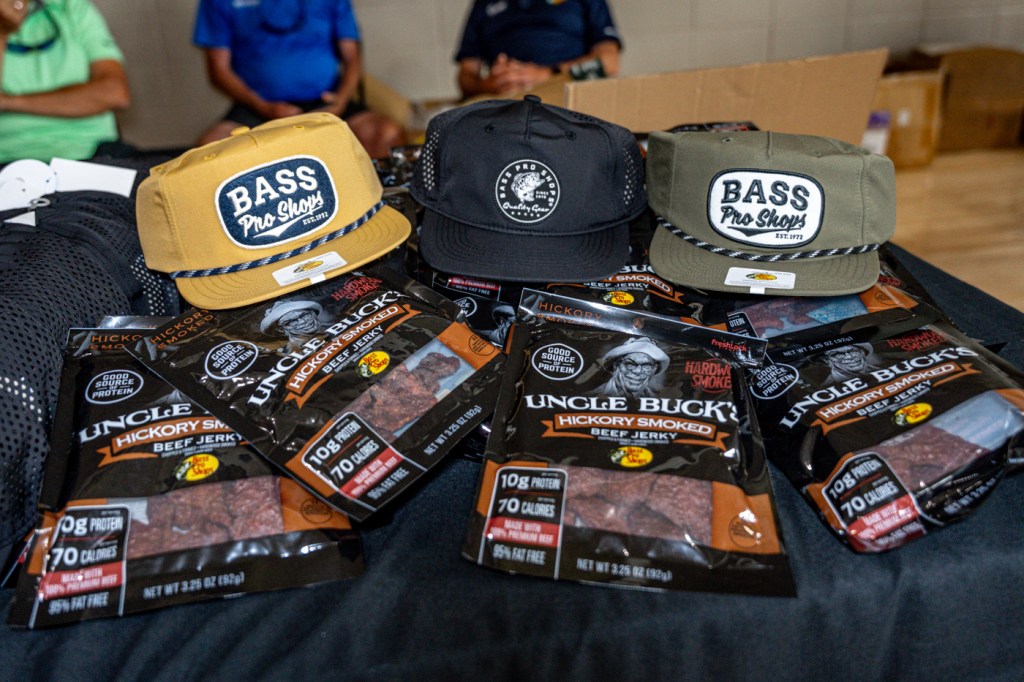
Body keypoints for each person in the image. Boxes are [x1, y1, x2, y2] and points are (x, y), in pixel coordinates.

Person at [192, 0, 404, 158]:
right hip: (257, 106)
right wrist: (263, 107)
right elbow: (218, 71)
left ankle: (376, 203)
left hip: (326, 102)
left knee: (386, 134)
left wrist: (340, 101)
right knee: (209, 150)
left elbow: (353, 59)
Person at [0, 0, 131, 164]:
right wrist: (2, 32)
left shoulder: (71, 6)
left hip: (94, 152)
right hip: (10, 160)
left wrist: (7, 102)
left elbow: (114, 93)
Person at [454, 0, 621, 99]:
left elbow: (609, 62)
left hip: (569, 98)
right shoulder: (483, 4)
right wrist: (489, 85)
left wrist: (548, 74)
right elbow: (466, 75)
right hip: (506, 105)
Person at [594, 336, 669, 399]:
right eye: (630, 364)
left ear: (653, 370)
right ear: (616, 366)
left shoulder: (657, 399)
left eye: (646, 365)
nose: (638, 371)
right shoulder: (593, 396)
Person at [260, 299, 327, 351]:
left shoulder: (330, 328)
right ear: (281, 330)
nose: (302, 321)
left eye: (304, 315)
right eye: (291, 322)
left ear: (313, 313)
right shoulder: (292, 354)